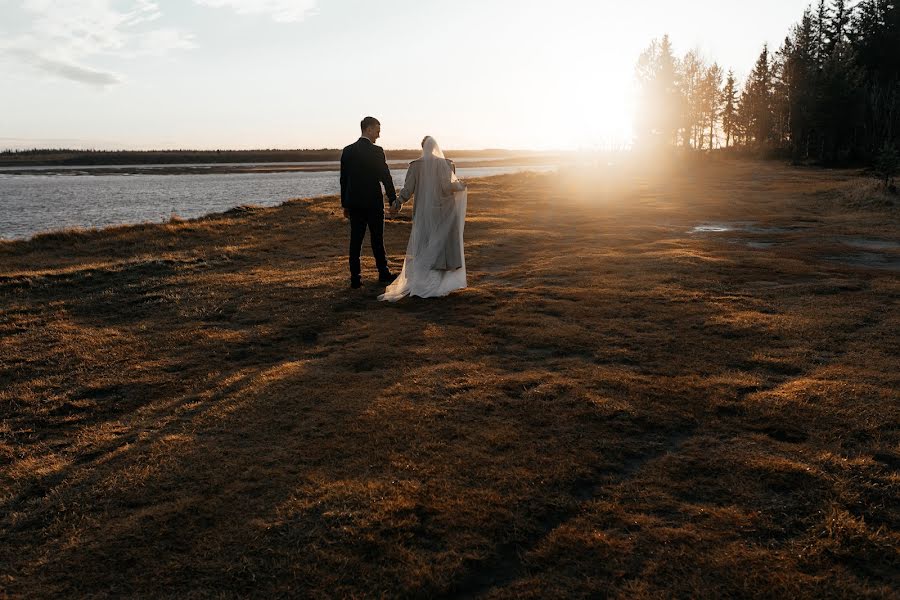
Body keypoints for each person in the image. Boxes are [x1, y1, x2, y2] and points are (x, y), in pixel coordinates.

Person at [379, 136, 468, 302]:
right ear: (436, 147)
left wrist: (397, 203)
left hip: (423, 213)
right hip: (442, 212)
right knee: (440, 247)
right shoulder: (446, 164)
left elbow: (408, 189)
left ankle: (424, 281)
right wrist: (461, 185)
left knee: (424, 245)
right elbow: (448, 186)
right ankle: (438, 284)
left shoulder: (415, 166)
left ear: (422, 147)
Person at [339, 116, 399, 289]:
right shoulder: (377, 151)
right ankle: (383, 272)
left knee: (355, 241)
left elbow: (344, 180)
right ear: (369, 129)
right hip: (373, 202)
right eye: (377, 131)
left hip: (355, 204)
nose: (379, 136)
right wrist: (392, 198)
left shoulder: (347, 151)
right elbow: (385, 177)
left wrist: (345, 204)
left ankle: (355, 279)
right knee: (377, 239)